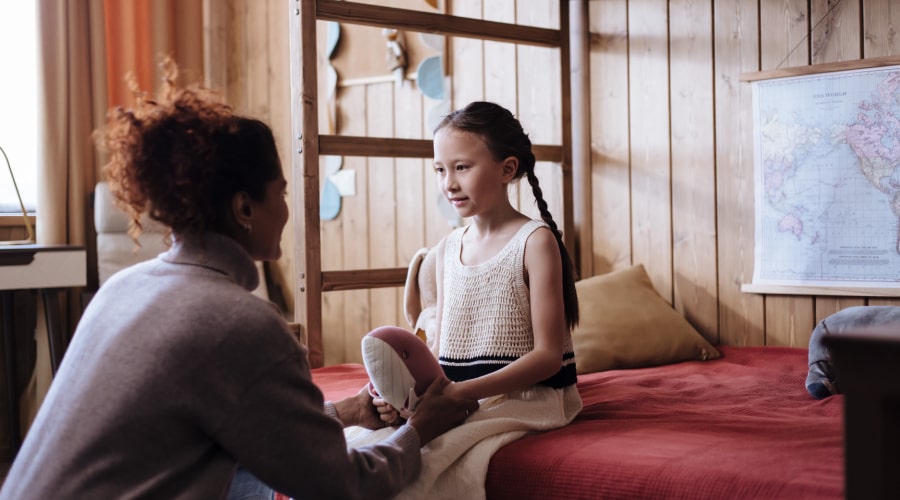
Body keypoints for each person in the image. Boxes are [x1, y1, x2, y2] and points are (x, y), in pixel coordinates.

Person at [0, 59, 476, 500]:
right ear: (245, 207)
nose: (287, 211)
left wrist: (348, 411)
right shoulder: (242, 323)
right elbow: (344, 484)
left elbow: (228, 427)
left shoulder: (122, 288)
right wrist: (419, 430)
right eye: (281, 194)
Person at [353, 101, 583, 500]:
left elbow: (548, 358)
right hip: (460, 394)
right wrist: (406, 398)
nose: (449, 183)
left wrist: (461, 394)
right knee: (360, 447)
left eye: (461, 167)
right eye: (440, 170)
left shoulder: (535, 241)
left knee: (428, 462)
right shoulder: (447, 249)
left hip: (525, 398)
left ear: (507, 170)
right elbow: (440, 350)